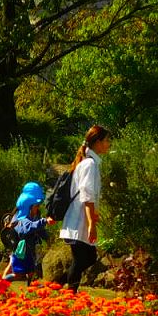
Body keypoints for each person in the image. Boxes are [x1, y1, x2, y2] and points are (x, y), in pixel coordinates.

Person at [58, 124, 111, 293]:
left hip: (80, 219)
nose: (108, 144)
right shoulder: (89, 165)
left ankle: (67, 289)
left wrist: (93, 217)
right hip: (79, 221)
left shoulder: (89, 163)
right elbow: (87, 197)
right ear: (97, 142)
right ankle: (69, 292)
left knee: (87, 257)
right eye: (106, 140)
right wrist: (91, 225)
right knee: (82, 259)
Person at [3, 182, 55, 284]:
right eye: (36, 206)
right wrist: (44, 221)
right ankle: (2, 282)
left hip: (29, 250)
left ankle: (29, 289)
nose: (38, 208)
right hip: (20, 250)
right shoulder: (20, 217)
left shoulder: (34, 214)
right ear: (28, 205)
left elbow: (38, 229)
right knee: (18, 274)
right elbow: (28, 228)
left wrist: (47, 237)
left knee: (31, 272)